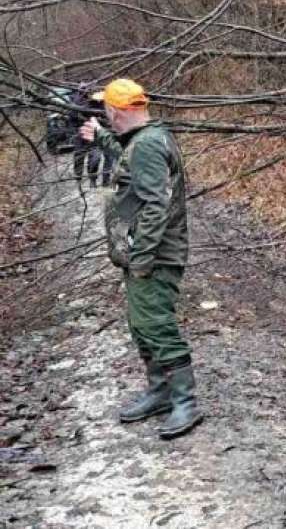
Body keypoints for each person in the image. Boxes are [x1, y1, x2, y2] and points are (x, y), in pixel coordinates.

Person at [79, 78, 201, 438]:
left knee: (157, 325)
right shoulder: (146, 138)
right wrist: (102, 138)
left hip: (155, 255)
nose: (105, 113)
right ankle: (160, 391)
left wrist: (142, 257)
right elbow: (131, 159)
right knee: (141, 323)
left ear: (115, 111)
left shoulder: (147, 146)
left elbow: (154, 207)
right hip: (144, 253)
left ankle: (185, 402)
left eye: (106, 110)